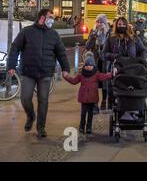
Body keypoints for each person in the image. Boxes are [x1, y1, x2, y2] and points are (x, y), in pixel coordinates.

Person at [7, 9, 70, 138]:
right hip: (28, 72)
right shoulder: (27, 32)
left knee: (43, 101)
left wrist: (65, 69)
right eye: (50, 17)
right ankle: (31, 116)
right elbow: (15, 47)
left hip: (45, 73)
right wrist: (11, 65)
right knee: (25, 98)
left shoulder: (54, 35)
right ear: (42, 17)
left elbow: (61, 53)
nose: (52, 19)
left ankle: (41, 128)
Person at [102, 17, 147, 107]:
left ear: (127, 25)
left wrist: (140, 60)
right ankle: (112, 105)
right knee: (114, 87)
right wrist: (114, 56)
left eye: (123, 24)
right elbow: (103, 54)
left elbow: (143, 50)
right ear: (116, 25)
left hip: (132, 68)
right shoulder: (111, 38)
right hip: (116, 68)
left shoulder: (134, 38)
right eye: (119, 24)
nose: (121, 26)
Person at [63, 52, 112, 134]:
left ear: (93, 65)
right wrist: (66, 76)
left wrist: (111, 74)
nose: (88, 67)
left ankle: (89, 127)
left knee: (90, 114)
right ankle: (82, 127)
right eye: (86, 65)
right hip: (84, 98)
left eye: (90, 65)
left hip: (92, 98)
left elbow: (105, 77)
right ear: (84, 66)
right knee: (83, 114)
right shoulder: (81, 74)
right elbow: (74, 81)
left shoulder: (96, 74)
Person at [85, 14, 110, 110]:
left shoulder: (109, 33)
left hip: (105, 61)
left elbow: (110, 46)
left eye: (101, 22)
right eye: (97, 22)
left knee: (104, 82)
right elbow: (87, 46)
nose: (99, 24)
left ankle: (104, 101)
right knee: (94, 82)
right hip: (95, 60)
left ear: (104, 23)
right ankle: (95, 103)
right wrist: (92, 37)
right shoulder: (93, 32)